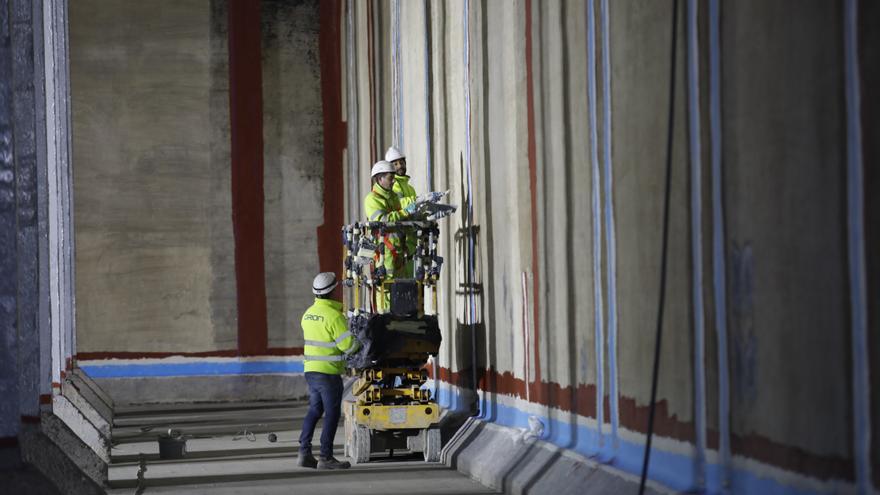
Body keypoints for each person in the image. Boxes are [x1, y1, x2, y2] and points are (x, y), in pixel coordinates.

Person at [298, 272, 359, 470]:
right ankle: (326, 457)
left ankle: (304, 453)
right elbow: (349, 346)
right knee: (332, 414)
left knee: (315, 410)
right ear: (333, 291)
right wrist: (361, 343)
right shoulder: (334, 316)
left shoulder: (307, 314)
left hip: (311, 371)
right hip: (329, 373)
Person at [364, 160, 417, 280]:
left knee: (401, 289)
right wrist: (405, 211)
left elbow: (402, 218)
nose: (393, 181)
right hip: (384, 252)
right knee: (385, 289)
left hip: (399, 251)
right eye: (390, 178)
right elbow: (384, 220)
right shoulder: (372, 199)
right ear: (379, 179)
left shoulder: (393, 196)